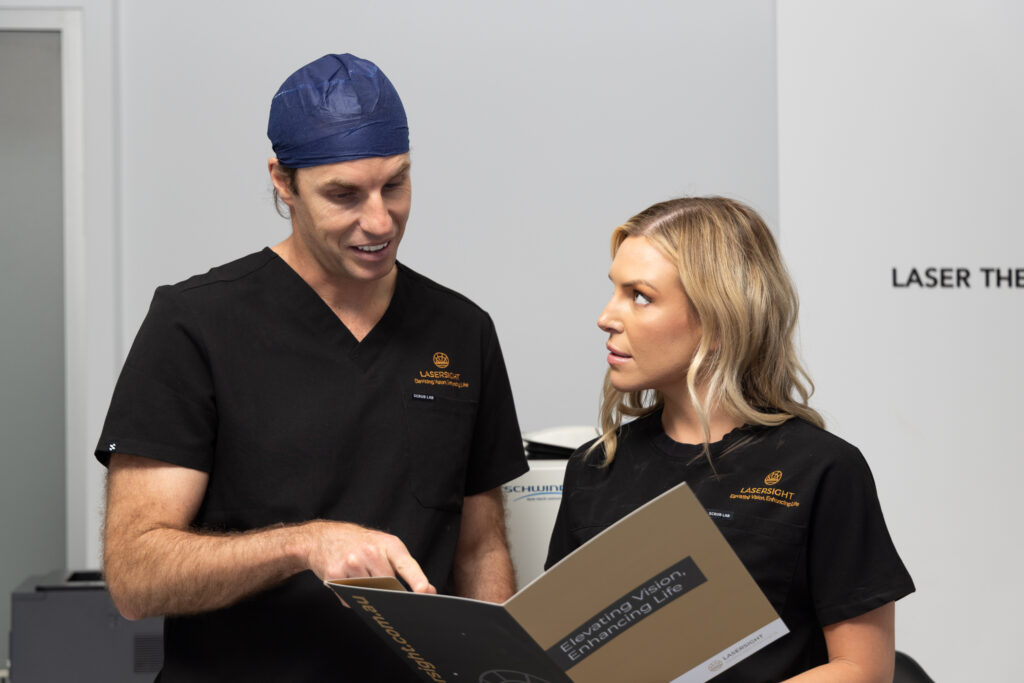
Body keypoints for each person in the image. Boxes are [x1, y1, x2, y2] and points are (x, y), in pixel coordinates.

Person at [96, 53, 528, 682]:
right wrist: (304, 544)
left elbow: (479, 546)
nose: (380, 221)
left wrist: (500, 669)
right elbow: (136, 576)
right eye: (343, 195)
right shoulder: (195, 324)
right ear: (283, 181)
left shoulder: (461, 331)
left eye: (396, 184)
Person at [545, 197, 914, 682]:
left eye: (639, 296)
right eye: (613, 290)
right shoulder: (595, 466)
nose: (606, 317)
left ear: (718, 320)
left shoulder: (823, 470)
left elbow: (862, 670)